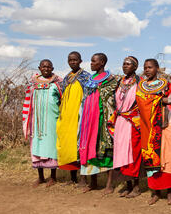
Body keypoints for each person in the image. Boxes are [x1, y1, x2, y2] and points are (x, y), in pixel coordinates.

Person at [136, 59, 171, 205]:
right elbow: (140, 102)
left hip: (167, 125)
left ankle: (169, 193)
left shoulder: (166, 84)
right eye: (145, 68)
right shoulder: (141, 86)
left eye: (150, 67)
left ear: (157, 68)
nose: (147, 70)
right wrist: (161, 100)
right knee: (153, 158)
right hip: (149, 127)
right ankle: (155, 193)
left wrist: (167, 102)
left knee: (168, 158)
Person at [78, 53, 118, 193]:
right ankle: (93, 182)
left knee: (107, 151)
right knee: (90, 148)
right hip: (89, 119)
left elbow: (112, 99)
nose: (91, 64)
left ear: (101, 63)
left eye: (93, 61)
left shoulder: (111, 80)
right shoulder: (90, 78)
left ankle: (109, 184)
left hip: (103, 119)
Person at [106, 56, 142, 198]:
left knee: (133, 153)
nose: (125, 66)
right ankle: (127, 185)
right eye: (124, 64)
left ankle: (137, 187)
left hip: (133, 121)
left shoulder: (140, 82)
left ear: (135, 67)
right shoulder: (120, 82)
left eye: (129, 64)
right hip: (120, 121)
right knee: (121, 153)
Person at [22, 59, 62, 187]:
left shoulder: (57, 83)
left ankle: (53, 177)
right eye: (43, 67)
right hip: (37, 120)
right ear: (39, 68)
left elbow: (62, 100)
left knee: (52, 146)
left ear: (52, 68)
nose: (46, 69)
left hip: (52, 120)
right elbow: (28, 100)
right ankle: (40, 177)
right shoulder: (33, 84)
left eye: (49, 67)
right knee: (37, 146)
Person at [56, 51, 91, 186]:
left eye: (75, 60)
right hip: (66, 116)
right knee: (68, 146)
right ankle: (72, 177)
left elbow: (88, 97)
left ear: (80, 61)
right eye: (70, 60)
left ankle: (83, 178)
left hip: (80, 116)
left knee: (79, 145)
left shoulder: (86, 77)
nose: (72, 62)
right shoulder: (67, 78)